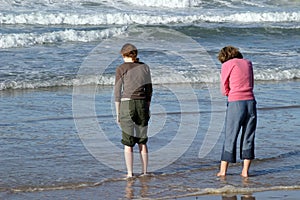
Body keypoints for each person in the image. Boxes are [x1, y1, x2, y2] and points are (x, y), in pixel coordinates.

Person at [216, 46, 257, 178]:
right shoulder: (248, 63)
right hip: (250, 102)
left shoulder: (227, 65)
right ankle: (245, 171)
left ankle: (223, 171)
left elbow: (224, 88)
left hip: (236, 102)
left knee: (230, 136)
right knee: (248, 137)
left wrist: (229, 94)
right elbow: (251, 83)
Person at [114, 43, 152, 178]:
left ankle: (130, 173)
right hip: (142, 104)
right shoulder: (144, 67)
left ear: (124, 55)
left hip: (126, 104)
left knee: (128, 142)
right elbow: (149, 90)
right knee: (142, 141)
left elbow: (117, 92)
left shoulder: (121, 68)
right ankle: (145, 172)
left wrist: (118, 112)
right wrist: (147, 107)